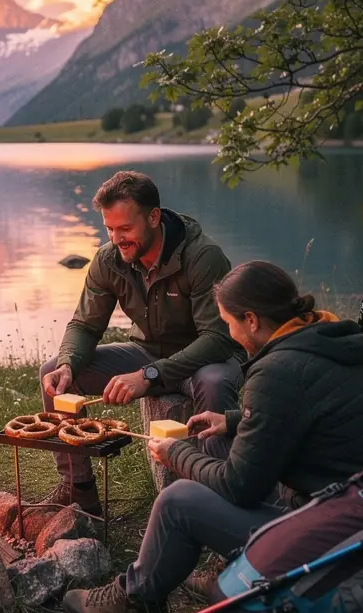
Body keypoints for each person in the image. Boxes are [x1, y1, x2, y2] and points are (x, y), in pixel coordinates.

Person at [62, 260, 363, 613]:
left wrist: (176, 454)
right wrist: (233, 420)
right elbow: (311, 416)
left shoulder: (278, 370)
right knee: (217, 438)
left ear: (251, 319)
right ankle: (233, 564)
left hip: (349, 534)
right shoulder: (328, 339)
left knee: (177, 502)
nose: (230, 334)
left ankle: (137, 599)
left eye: (229, 322)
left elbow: (240, 484)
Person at [39, 170, 244, 513]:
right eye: (110, 229)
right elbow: (85, 326)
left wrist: (148, 375)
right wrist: (67, 363)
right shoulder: (108, 260)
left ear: (153, 217)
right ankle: (80, 490)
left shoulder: (202, 257)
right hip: (145, 352)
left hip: (202, 360)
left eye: (125, 228)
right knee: (53, 375)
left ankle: (216, 498)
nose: (117, 239)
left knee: (216, 381)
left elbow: (218, 338)